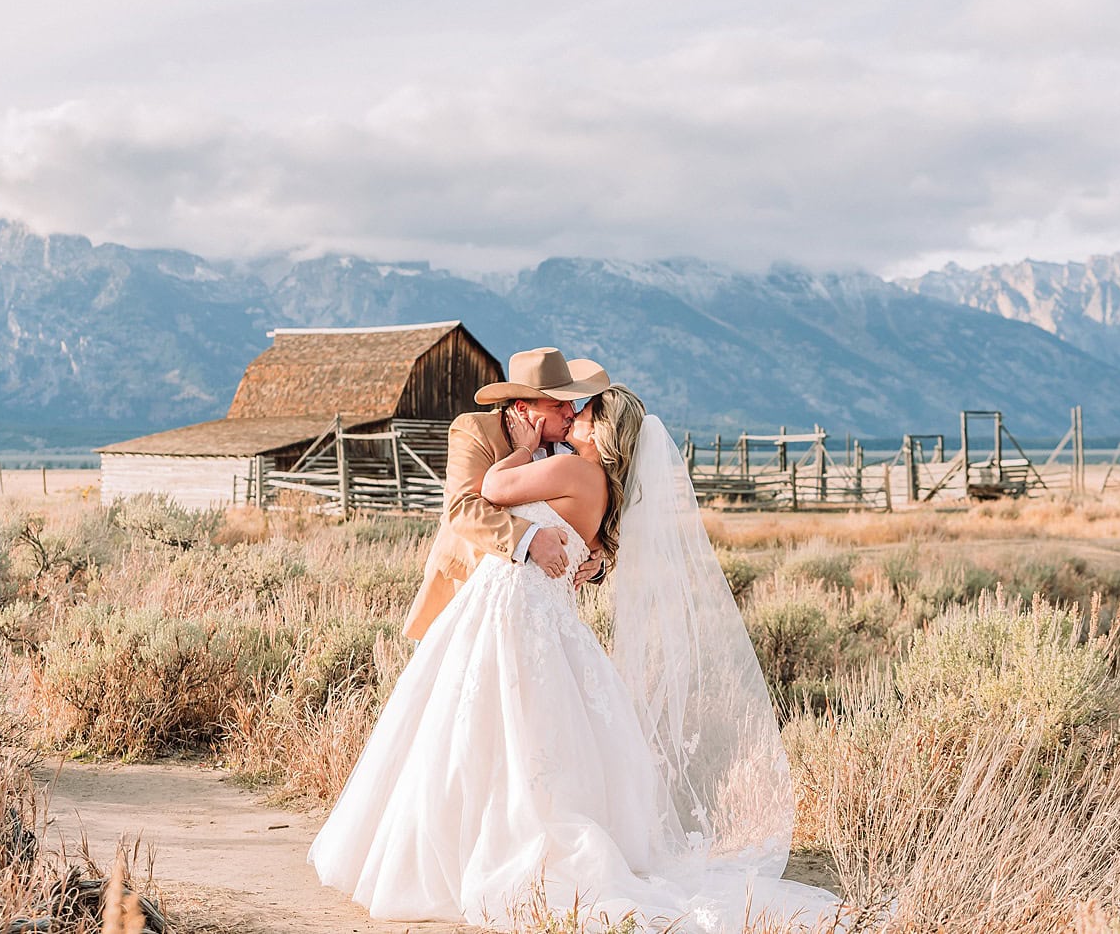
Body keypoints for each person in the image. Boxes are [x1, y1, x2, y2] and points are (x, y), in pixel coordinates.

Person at [310, 384, 844, 931]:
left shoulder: (570, 470)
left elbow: (493, 486)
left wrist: (519, 449)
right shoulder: (594, 481)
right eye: (564, 405)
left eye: (582, 410)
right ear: (525, 407)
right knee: (518, 733)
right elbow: (476, 512)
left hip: (517, 610)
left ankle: (465, 857)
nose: (572, 413)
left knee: (495, 732)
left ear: (600, 429)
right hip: (531, 610)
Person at [402, 346, 610, 642]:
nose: (570, 413)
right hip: (468, 590)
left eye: (572, 403)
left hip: (540, 608)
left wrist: (595, 561)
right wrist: (530, 538)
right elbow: (463, 508)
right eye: (557, 405)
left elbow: (589, 512)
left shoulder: (574, 445)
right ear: (524, 409)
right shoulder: (475, 430)